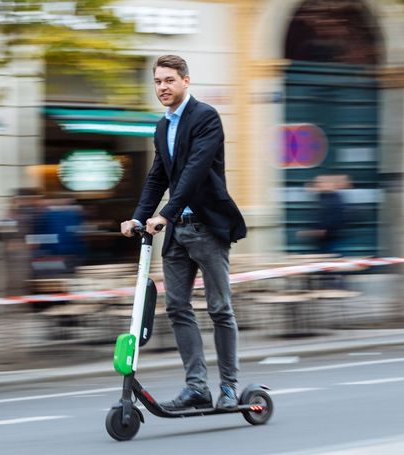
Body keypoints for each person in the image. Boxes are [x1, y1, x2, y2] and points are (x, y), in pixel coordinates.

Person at [120, 55, 246, 411]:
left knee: (220, 308)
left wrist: (165, 214)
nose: (162, 87)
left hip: (207, 226)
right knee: (177, 307)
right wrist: (137, 217)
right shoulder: (162, 127)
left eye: (169, 80)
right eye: (158, 81)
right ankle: (196, 388)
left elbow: (194, 171)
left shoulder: (205, 117)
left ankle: (228, 388)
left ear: (186, 81)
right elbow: (158, 177)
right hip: (177, 232)